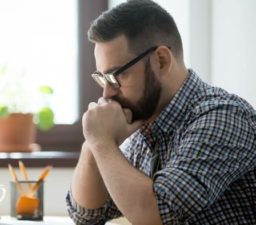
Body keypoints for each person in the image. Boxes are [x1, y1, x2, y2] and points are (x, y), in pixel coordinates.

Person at [66, 0, 256, 224]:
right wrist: (93, 143)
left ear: (161, 60)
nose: (107, 93)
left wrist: (102, 143)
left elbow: (158, 214)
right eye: (103, 78)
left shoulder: (223, 116)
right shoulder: (143, 128)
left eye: (117, 75)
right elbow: (87, 215)